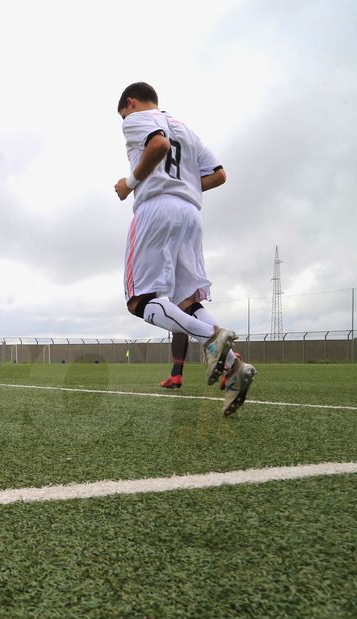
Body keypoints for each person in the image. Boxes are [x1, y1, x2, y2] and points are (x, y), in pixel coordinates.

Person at [115, 81, 255, 415]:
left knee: (141, 301)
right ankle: (236, 368)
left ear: (130, 103)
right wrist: (184, 186)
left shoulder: (136, 119)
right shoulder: (187, 130)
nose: (123, 119)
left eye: (123, 113)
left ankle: (213, 338)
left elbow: (158, 145)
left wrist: (130, 184)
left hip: (156, 209)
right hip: (191, 213)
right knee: (185, 301)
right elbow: (218, 175)